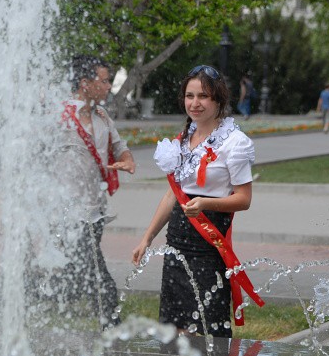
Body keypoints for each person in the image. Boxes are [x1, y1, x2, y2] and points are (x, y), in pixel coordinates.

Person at [132, 64, 264, 338]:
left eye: (203, 96)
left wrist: (205, 203)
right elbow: (172, 195)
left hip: (208, 246)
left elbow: (244, 199)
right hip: (177, 244)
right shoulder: (183, 139)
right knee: (174, 329)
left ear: (219, 99)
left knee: (208, 328)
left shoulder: (234, 142)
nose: (195, 103)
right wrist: (146, 238)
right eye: (189, 96)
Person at [58, 55, 135, 330]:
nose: (107, 87)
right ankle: (112, 328)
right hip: (67, 214)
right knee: (97, 276)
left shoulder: (102, 116)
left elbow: (119, 144)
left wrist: (126, 159)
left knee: (75, 274)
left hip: (96, 211)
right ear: (85, 83)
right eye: (103, 81)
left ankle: (38, 299)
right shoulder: (59, 116)